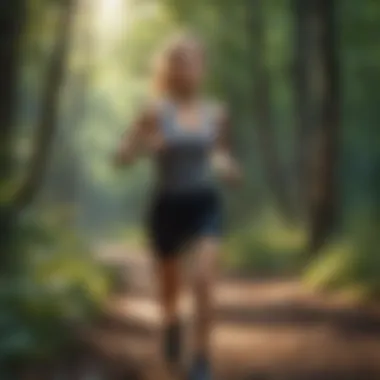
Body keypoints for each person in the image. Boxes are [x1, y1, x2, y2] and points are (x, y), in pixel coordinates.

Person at [114, 33, 242, 380]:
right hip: (166, 206)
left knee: (203, 280)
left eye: (192, 62)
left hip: (204, 203)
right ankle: (171, 323)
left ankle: (201, 358)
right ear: (168, 69)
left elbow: (221, 153)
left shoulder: (216, 112)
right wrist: (143, 145)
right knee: (170, 291)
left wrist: (228, 167)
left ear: (203, 69)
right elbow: (121, 156)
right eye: (178, 62)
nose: (185, 69)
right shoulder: (154, 110)